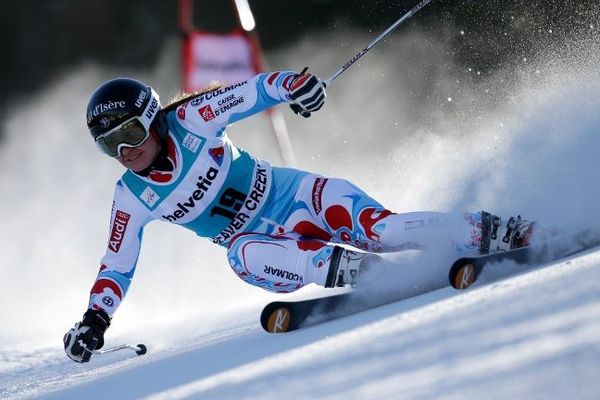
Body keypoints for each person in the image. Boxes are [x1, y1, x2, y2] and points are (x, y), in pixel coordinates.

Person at [63, 70, 533, 362]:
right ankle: (369, 274)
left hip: (302, 198)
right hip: (275, 252)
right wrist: (94, 321)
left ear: (153, 118)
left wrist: (295, 87)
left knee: (384, 228)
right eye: (109, 145)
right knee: (240, 253)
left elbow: (255, 90)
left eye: (128, 133)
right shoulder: (131, 197)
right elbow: (116, 265)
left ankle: (497, 231)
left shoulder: (193, 119)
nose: (124, 151)